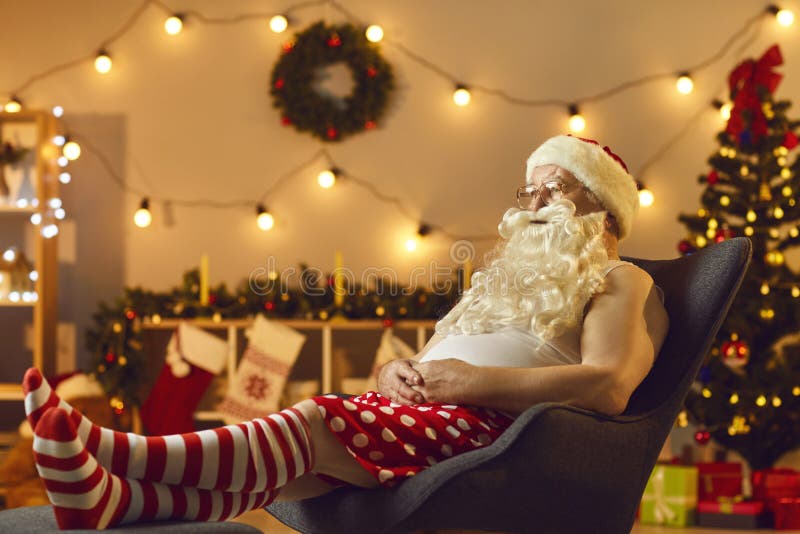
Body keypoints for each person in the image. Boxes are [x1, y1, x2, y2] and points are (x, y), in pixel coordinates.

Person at [22, 134, 668, 530]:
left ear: (599, 208)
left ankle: (121, 453)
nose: (529, 208)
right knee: (286, 472)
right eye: (525, 192)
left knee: (311, 424)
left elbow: (609, 386)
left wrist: (475, 382)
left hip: (497, 433)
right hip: (422, 411)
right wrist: (395, 372)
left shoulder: (622, 281)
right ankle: (117, 504)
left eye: (549, 191)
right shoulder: (500, 282)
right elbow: (438, 358)